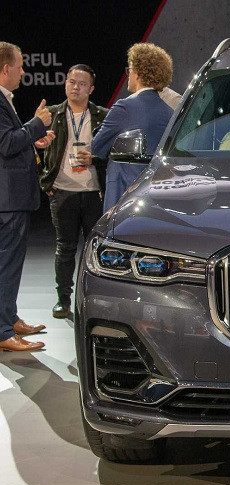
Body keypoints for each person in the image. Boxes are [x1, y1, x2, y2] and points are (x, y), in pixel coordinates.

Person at [38, 64, 108, 318]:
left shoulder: (103, 116)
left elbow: (113, 152)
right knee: (65, 248)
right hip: (63, 192)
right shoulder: (51, 114)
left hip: (94, 193)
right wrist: (46, 182)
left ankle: (93, 300)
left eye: (81, 83)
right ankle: (63, 300)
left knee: (94, 250)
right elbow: (32, 148)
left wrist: (95, 159)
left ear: (91, 89)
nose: (75, 87)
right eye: (71, 82)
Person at [0, 42, 53, 352]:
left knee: (10, 263)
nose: (23, 72)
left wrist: (35, 138)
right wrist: (36, 124)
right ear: (6, 68)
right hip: (8, 200)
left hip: (13, 198)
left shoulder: (5, 99)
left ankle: (9, 318)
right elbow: (6, 144)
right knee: (6, 264)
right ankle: (3, 331)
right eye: (19, 67)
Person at [91, 42, 173, 211]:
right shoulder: (170, 113)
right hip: (157, 195)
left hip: (124, 192)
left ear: (137, 73)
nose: (128, 75)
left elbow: (97, 147)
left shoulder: (124, 108)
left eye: (129, 69)